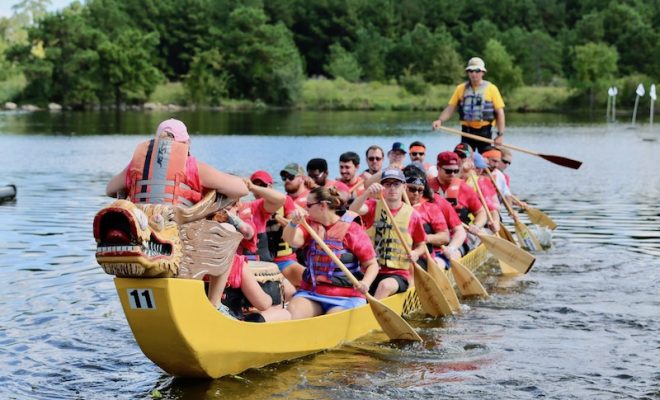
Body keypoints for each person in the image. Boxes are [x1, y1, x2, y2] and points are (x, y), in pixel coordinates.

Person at [283, 187, 379, 319]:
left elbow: (372, 264)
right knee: (292, 313)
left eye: (309, 205)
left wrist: (366, 283)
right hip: (312, 293)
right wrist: (293, 223)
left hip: (346, 296)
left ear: (323, 205)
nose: (306, 209)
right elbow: (291, 240)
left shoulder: (352, 229)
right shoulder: (310, 226)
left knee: (330, 319)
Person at [106, 118, 248, 202]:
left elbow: (110, 189)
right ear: (185, 143)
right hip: (175, 227)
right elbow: (241, 190)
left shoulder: (136, 164)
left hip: (144, 222)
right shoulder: (191, 166)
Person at [350, 168, 427, 299]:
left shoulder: (413, 215)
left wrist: (415, 253)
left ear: (404, 187)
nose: (392, 188)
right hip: (370, 271)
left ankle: (371, 318)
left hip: (397, 274)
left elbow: (421, 245)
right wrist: (366, 193)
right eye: (387, 184)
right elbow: (353, 210)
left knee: (384, 286)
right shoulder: (372, 206)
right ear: (382, 187)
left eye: (396, 184)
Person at [431, 57, 506, 153]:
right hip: (466, 132)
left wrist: (500, 135)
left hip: (484, 132)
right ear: (468, 73)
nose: (474, 74)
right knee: (463, 157)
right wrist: (440, 120)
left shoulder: (492, 88)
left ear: (483, 72)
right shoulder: (460, 88)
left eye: (477, 71)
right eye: (471, 71)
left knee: (487, 159)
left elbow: (500, 113)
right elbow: (451, 108)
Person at [429, 151, 492, 245]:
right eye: (448, 171)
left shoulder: (464, 188)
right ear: (438, 168)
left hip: (461, 232)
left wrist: (477, 225)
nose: (453, 174)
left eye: (456, 171)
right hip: (435, 233)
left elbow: (481, 212)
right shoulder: (427, 187)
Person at [401, 165, 450, 269]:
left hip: (423, 258)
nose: (416, 194)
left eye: (420, 190)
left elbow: (445, 237)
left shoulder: (430, 208)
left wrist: (423, 238)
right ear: (403, 187)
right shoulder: (392, 206)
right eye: (412, 189)